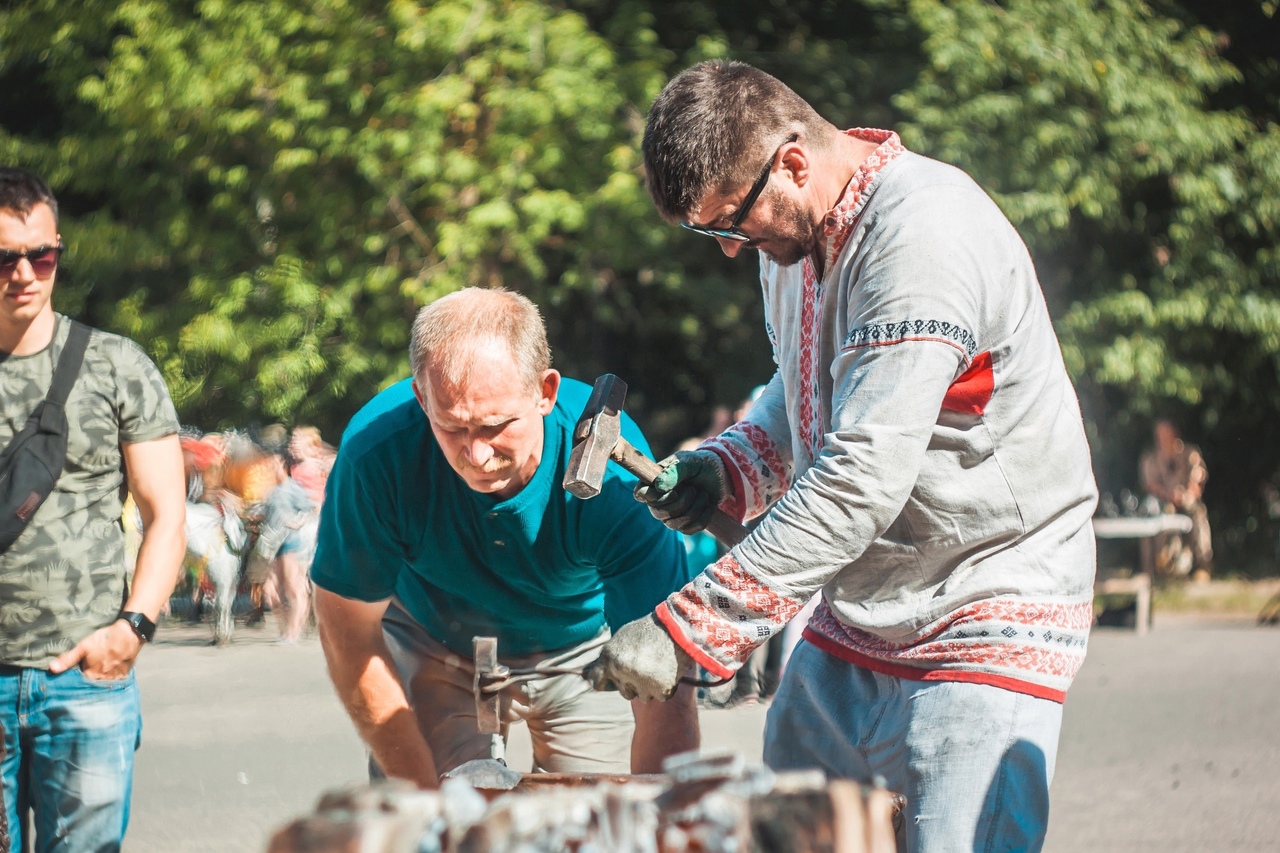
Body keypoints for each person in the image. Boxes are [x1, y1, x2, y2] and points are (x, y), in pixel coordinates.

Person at [585, 61, 1099, 853]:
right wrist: (730, 464)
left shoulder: (920, 237)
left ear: (792, 160)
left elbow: (861, 476)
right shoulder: (788, 242)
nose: (730, 249)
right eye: (711, 232)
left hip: (987, 597)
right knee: (795, 830)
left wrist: (692, 626)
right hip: (867, 609)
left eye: (731, 222)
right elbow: (806, 394)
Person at [310, 287, 698, 788]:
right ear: (420, 396)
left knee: (598, 825)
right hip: (433, 643)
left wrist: (661, 820)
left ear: (546, 391)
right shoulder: (376, 454)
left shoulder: (617, 476)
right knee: (431, 828)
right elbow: (349, 633)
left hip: (579, 652)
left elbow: (665, 685)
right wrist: (422, 798)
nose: (476, 455)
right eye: (451, 427)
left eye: (495, 426)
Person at [0, 167, 185, 851]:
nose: (25, 273)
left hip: (85, 677)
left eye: (41, 255)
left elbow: (166, 510)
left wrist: (133, 626)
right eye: (4, 258)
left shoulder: (116, 364)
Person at [1140, 419, 1212, 580]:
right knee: (1151, 512)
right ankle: (1156, 568)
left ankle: (1202, 566)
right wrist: (1168, 495)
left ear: (1175, 433)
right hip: (1162, 501)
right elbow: (1150, 484)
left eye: (1166, 433)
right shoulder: (1151, 458)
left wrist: (1185, 494)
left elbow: (1198, 480)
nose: (1162, 437)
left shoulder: (1190, 453)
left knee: (1197, 511)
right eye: (1159, 434)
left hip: (1186, 499)